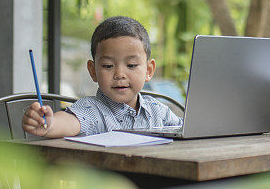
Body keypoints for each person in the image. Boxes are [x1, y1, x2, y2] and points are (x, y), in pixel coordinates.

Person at [22, 16, 182, 137]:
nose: (120, 74)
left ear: (148, 70)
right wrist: (48, 124)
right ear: (93, 71)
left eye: (131, 65)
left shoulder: (157, 111)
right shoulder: (92, 110)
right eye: (107, 66)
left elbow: (186, 131)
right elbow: (69, 122)